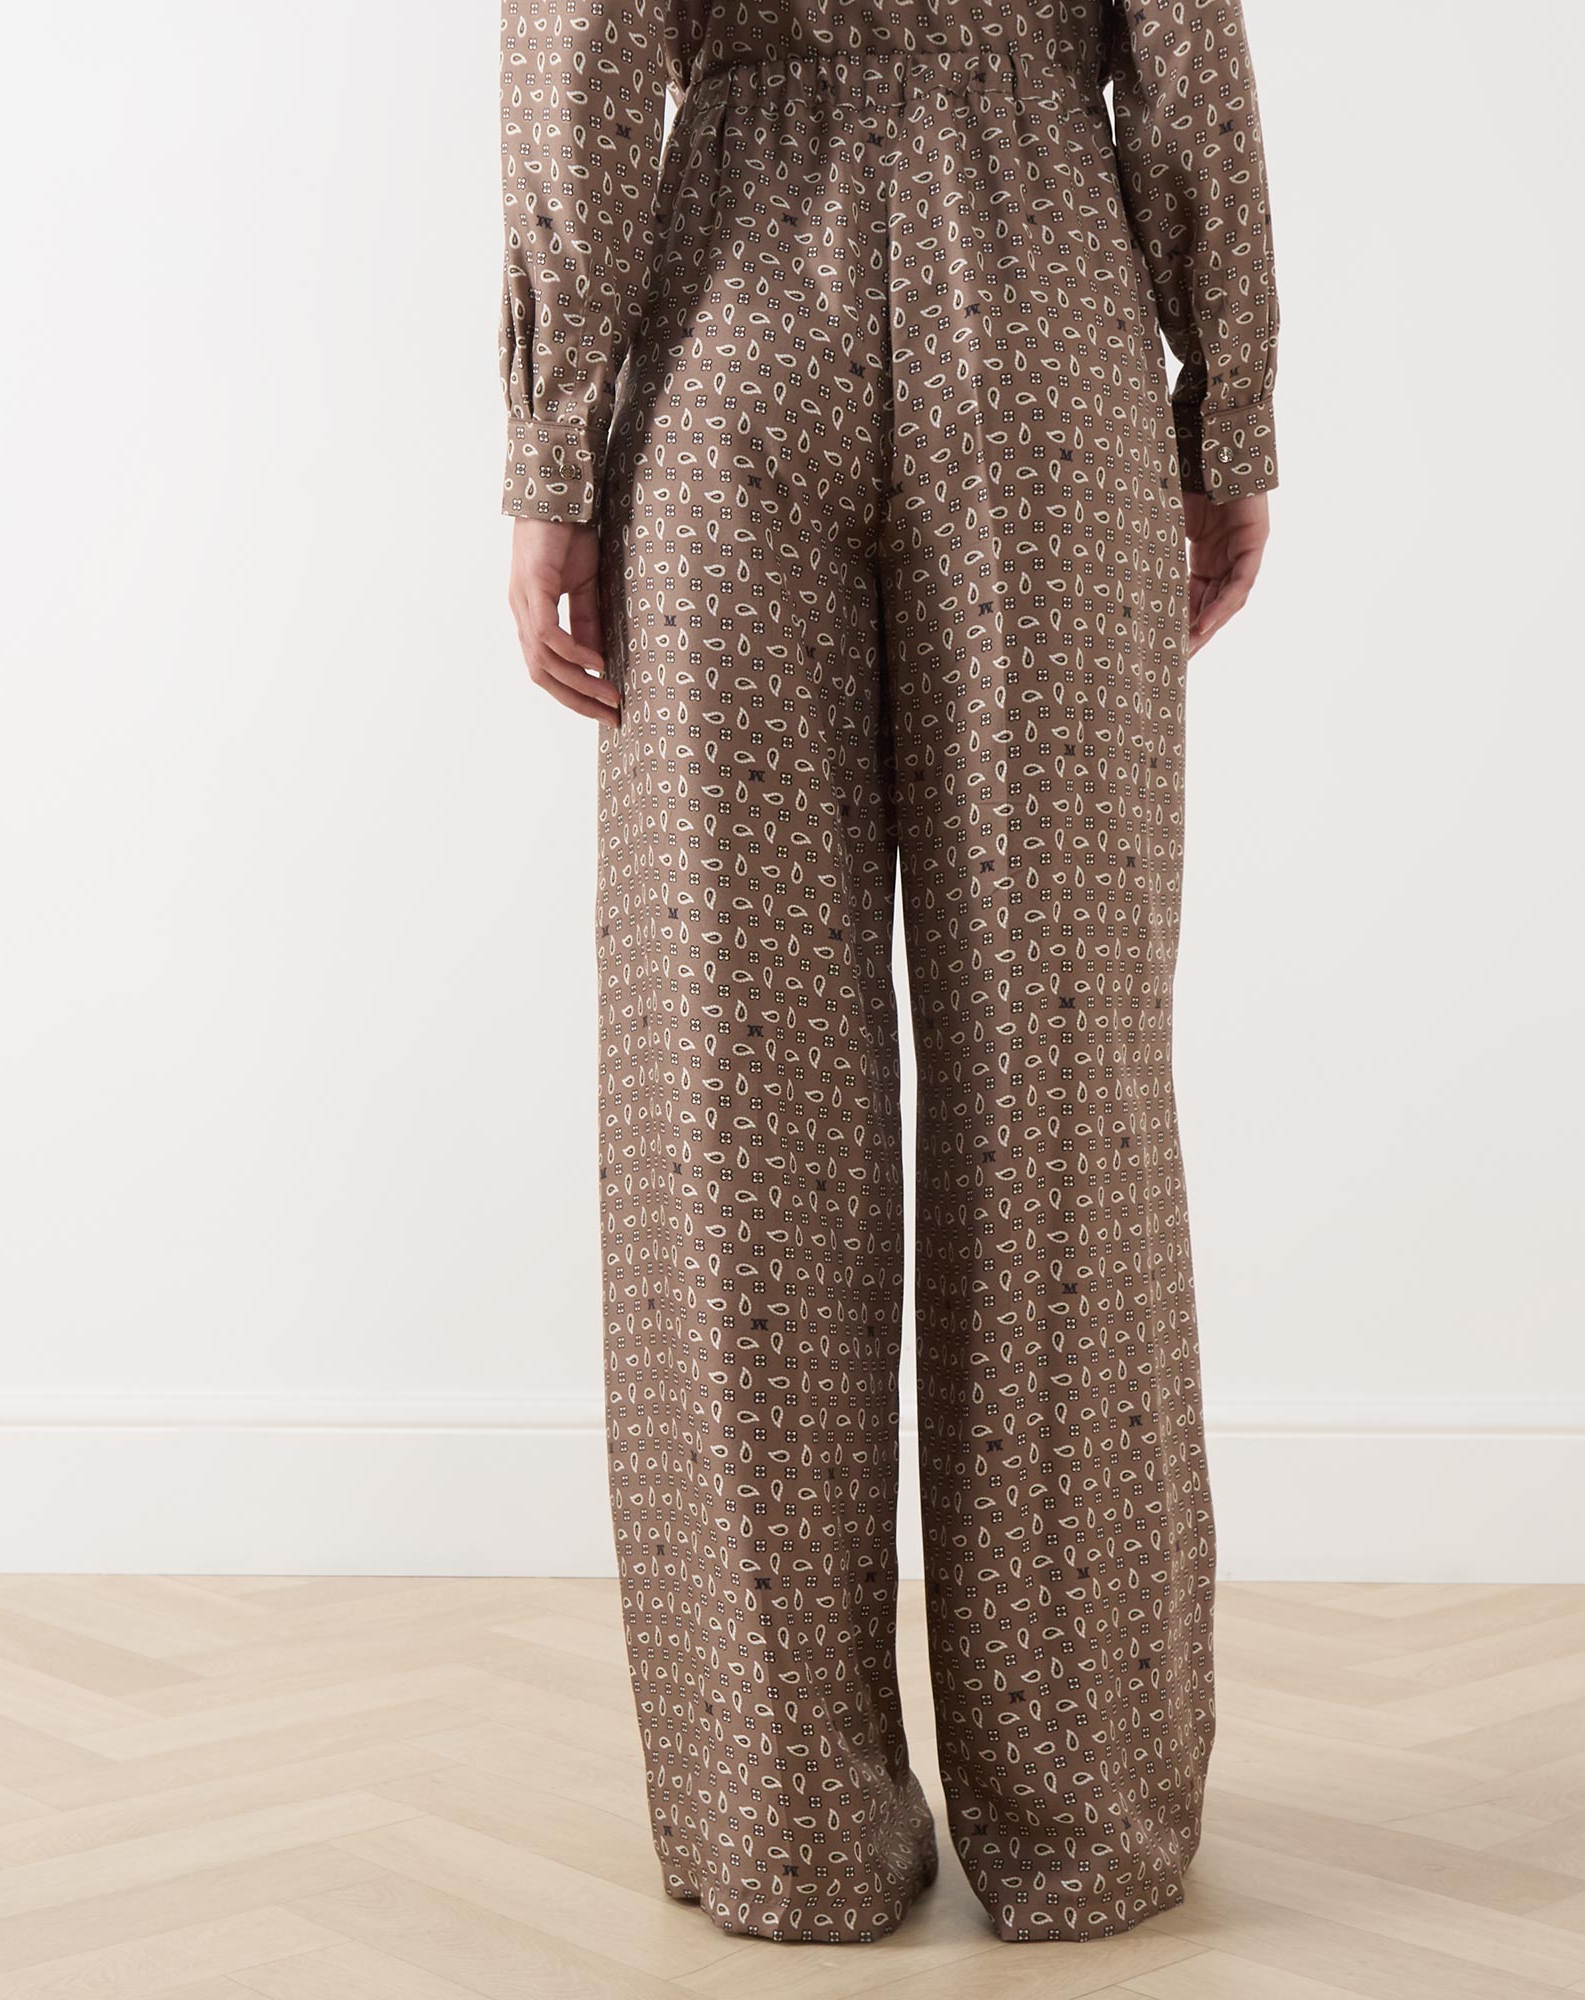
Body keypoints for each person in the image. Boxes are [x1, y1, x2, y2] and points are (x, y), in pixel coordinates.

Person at [498, 0, 1277, 1947]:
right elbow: (1182, 44)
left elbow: (582, 41)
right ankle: (1084, 1816)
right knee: (1064, 1085)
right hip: (1048, 315)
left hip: (728, 320)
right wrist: (1230, 405)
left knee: (731, 1100)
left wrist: (549, 447)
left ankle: (785, 1825)